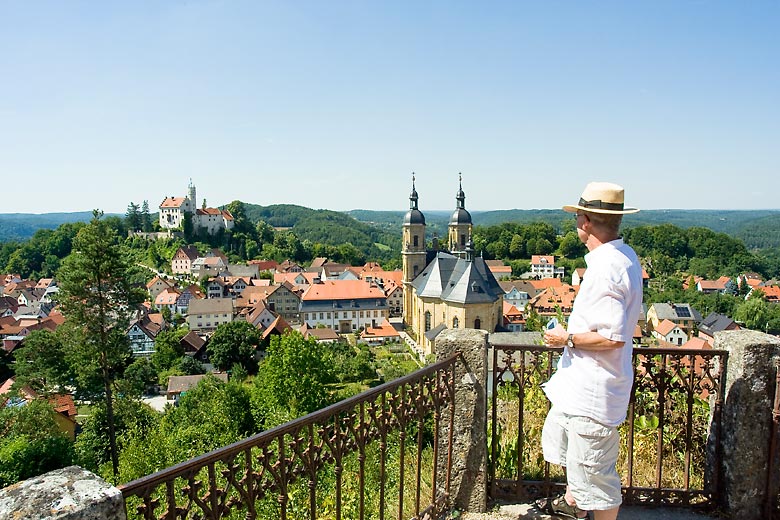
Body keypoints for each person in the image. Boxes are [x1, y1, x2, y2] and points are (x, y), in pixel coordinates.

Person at [538, 182, 643, 520]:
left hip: (594, 393)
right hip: (586, 390)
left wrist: (565, 339)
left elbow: (612, 338)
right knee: (583, 469)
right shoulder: (623, 257)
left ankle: (585, 509)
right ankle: (573, 505)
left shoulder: (606, 268)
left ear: (585, 221)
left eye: (578, 217)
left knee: (598, 484)